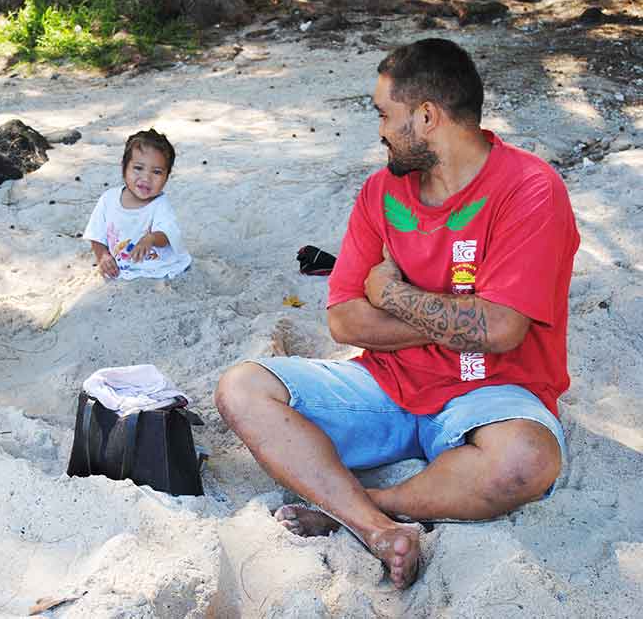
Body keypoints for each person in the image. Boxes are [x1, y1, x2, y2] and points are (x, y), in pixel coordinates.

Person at [214, 38, 579, 590]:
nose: (380, 129)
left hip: (492, 391)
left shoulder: (530, 188)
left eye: (386, 114)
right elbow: (343, 321)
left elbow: (503, 331)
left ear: (427, 116)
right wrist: (460, 320)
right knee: (242, 388)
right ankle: (375, 528)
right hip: (385, 386)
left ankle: (370, 503)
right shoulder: (381, 192)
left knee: (526, 461)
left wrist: (393, 295)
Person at [83, 129, 191, 280]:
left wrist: (150, 238)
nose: (146, 178)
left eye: (157, 172)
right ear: (124, 168)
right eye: (138, 168)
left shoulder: (160, 204)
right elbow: (96, 235)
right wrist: (103, 256)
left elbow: (167, 234)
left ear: (166, 177)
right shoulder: (108, 199)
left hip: (157, 267)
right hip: (121, 266)